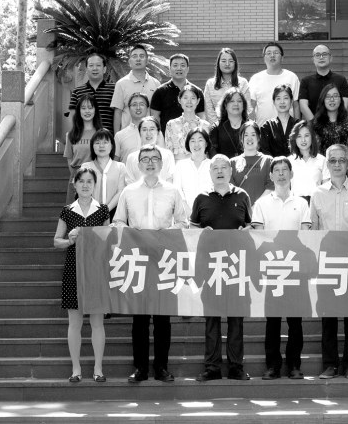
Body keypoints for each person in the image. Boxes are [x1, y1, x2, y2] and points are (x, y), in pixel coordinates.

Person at [113, 146, 190, 383]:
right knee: (140, 319)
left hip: (164, 259)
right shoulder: (128, 192)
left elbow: (183, 222)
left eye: (155, 158)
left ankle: (161, 368)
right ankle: (140, 368)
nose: (150, 162)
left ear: (162, 163)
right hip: (138, 259)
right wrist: (133, 233)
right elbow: (118, 222)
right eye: (145, 159)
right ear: (138, 164)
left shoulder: (173, 191)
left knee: (162, 319)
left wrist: (164, 234)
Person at [309, 144, 348, 379]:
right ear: (327, 163)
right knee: (328, 315)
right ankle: (330, 364)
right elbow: (314, 229)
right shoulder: (317, 193)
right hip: (326, 261)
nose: (337, 164)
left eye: (341, 160)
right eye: (332, 160)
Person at [191, 154, 253, 381]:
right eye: (215, 168)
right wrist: (201, 232)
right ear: (210, 172)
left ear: (230, 170)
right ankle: (212, 367)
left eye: (223, 167)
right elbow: (192, 229)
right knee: (212, 319)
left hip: (237, 266)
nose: (219, 171)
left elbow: (251, 228)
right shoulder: (201, 198)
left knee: (236, 318)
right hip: (211, 267)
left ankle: (236, 366)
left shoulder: (243, 196)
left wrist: (245, 233)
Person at [251, 158, 312, 380]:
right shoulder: (261, 204)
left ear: (291, 174)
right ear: (271, 176)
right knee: (273, 321)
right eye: (276, 170)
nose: (281, 174)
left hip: (295, 267)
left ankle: (294, 364)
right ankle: (273, 366)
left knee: (295, 321)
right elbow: (259, 236)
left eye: (285, 170)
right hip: (273, 267)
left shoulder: (302, 203)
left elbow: (305, 234)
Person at [54, 167, 111, 383]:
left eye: (89, 181)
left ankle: (98, 368)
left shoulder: (103, 210)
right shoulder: (67, 211)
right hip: (73, 268)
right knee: (74, 322)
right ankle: (76, 369)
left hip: (97, 270)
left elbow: (109, 241)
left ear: (95, 185)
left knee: (97, 322)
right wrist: (69, 240)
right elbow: (56, 241)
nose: (85, 185)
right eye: (81, 181)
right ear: (75, 184)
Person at [150, 53, 205, 133]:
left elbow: (201, 116)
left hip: (192, 137)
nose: (179, 68)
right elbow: (155, 117)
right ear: (170, 69)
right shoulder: (160, 91)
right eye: (175, 65)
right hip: (167, 137)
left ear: (188, 69)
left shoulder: (197, 91)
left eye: (182, 65)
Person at [247, 42, 301, 125]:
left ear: (282, 58)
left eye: (276, 53)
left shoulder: (292, 77)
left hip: (288, 129)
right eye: (268, 53)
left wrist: (298, 127)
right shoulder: (255, 78)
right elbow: (251, 106)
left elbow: (296, 105)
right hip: (262, 127)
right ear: (264, 58)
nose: (272, 55)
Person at [111, 45, 161, 131]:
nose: (138, 59)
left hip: (149, 134)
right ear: (129, 61)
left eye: (142, 56)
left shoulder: (156, 84)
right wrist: (116, 136)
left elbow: (157, 113)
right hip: (127, 135)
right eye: (134, 56)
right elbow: (117, 112)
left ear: (147, 61)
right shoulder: (121, 84)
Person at [298, 44, 348, 121]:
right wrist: (315, 124)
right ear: (313, 59)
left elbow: (344, 104)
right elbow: (303, 106)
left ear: (331, 58)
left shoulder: (341, 80)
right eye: (317, 55)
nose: (321, 57)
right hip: (313, 125)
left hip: (336, 124)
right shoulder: (305, 81)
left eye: (324, 54)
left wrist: (333, 124)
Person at [80, 130, 127, 213]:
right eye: (97, 143)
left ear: (112, 146)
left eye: (105, 142)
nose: (101, 146)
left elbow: (121, 191)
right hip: (90, 211)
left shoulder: (120, 167)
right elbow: (83, 190)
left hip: (115, 212)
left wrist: (106, 211)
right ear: (92, 146)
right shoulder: (86, 167)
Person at [67, 52, 115, 133]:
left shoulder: (114, 89)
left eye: (98, 65)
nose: (94, 68)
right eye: (91, 65)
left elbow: (119, 115)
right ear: (86, 69)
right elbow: (73, 118)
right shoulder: (77, 92)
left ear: (104, 69)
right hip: (84, 138)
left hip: (107, 138)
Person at [202, 48, 251, 126]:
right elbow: (209, 111)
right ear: (218, 63)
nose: (227, 64)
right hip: (217, 128)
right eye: (224, 61)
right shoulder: (210, 84)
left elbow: (247, 108)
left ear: (235, 63)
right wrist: (218, 127)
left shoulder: (243, 83)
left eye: (231, 61)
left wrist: (236, 126)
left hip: (239, 127)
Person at [163, 85, 210, 161]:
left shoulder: (205, 126)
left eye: (193, 98)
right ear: (179, 100)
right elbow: (169, 154)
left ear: (198, 101)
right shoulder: (171, 125)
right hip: (178, 166)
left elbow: (207, 153)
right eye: (185, 98)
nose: (189, 102)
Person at [124, 117, 174, 184]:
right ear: (139, 133)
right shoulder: (132, 157)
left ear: (158, 132)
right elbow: (129, 182)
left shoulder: (167, 155)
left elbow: (170, 180)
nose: (148, 133)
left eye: (152, 129)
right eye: (144, 130)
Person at [114, 94, 162, 163]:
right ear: (129, 109)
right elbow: (116, 162)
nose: (138, 108)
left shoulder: (157, 133)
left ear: (147, 108)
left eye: (142, 104)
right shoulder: (120, 135)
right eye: (134, 105)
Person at [232, 121, 273, 201]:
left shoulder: (268, 161)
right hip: (240, 207)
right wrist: (243, 206)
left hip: (261, 207)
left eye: (253, 135)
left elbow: (271, 187)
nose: (249, 138)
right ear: (241, 138)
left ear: (258, 137)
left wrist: (256, 206)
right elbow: (230, 189)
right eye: (246, 135)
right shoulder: (232, 163)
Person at [173, 129, 213, 207]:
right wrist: (187, 210)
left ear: (206, 143)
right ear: (188, 144)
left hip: (209, 211)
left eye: (200, 140)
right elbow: (177, 190)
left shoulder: (213, 165)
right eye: (193, 141)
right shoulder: (181, 165)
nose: (196, 144)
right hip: (185, 211)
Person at [64, 94, 100, 179]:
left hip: (97, 176)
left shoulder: (101, 133)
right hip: (77, 176)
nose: (87, 111)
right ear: (79, 111)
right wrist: (77, 177)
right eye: (83, 108)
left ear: (95, 110)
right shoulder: (71, 135)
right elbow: (69, 159)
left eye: (90, 108)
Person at [288, 120, 326, 197]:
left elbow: (326, 187)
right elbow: (285, 188)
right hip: (296, 202)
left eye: (306, 135)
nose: (303, 140)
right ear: (294, 139)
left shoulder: (322, 160)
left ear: (312, 137)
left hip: (316, 201)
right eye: (299, 136)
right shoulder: (289, 161)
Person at [260, 85, 299, 157]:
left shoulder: (298, 125)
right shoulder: (267, 126)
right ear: (274, 102)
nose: (282, 102)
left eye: (285, 98)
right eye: (278, 98)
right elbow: (265, 152)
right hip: (272, 163)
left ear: (291, 101)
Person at [312, 83, 348, 151]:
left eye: (335, 96)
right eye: (328, 97)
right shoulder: (315, 123)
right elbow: (315, 150)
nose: (332, 99)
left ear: (340, 99)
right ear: (323, 100)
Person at [210, 89, 249, 158]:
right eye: (232, 101)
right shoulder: (216, 128)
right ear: (225, 105)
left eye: (239, 101)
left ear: (244, 105)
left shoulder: (250, 126)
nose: (236, 104)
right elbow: (212, 152)